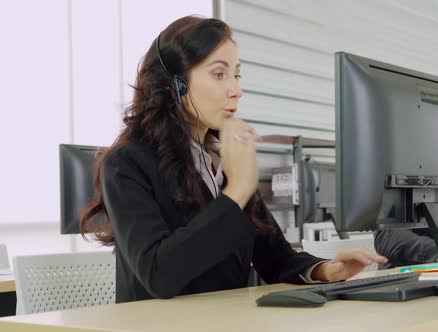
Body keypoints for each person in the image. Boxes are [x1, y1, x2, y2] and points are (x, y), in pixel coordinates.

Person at [80, 16, 386, 303]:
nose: (237, 90)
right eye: (219, 74)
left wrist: (324, 270)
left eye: (237, 75)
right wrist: (238, 189)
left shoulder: (223, 156)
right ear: (176, 84)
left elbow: (275, 257)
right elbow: (159, 275)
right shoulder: (126, 163)